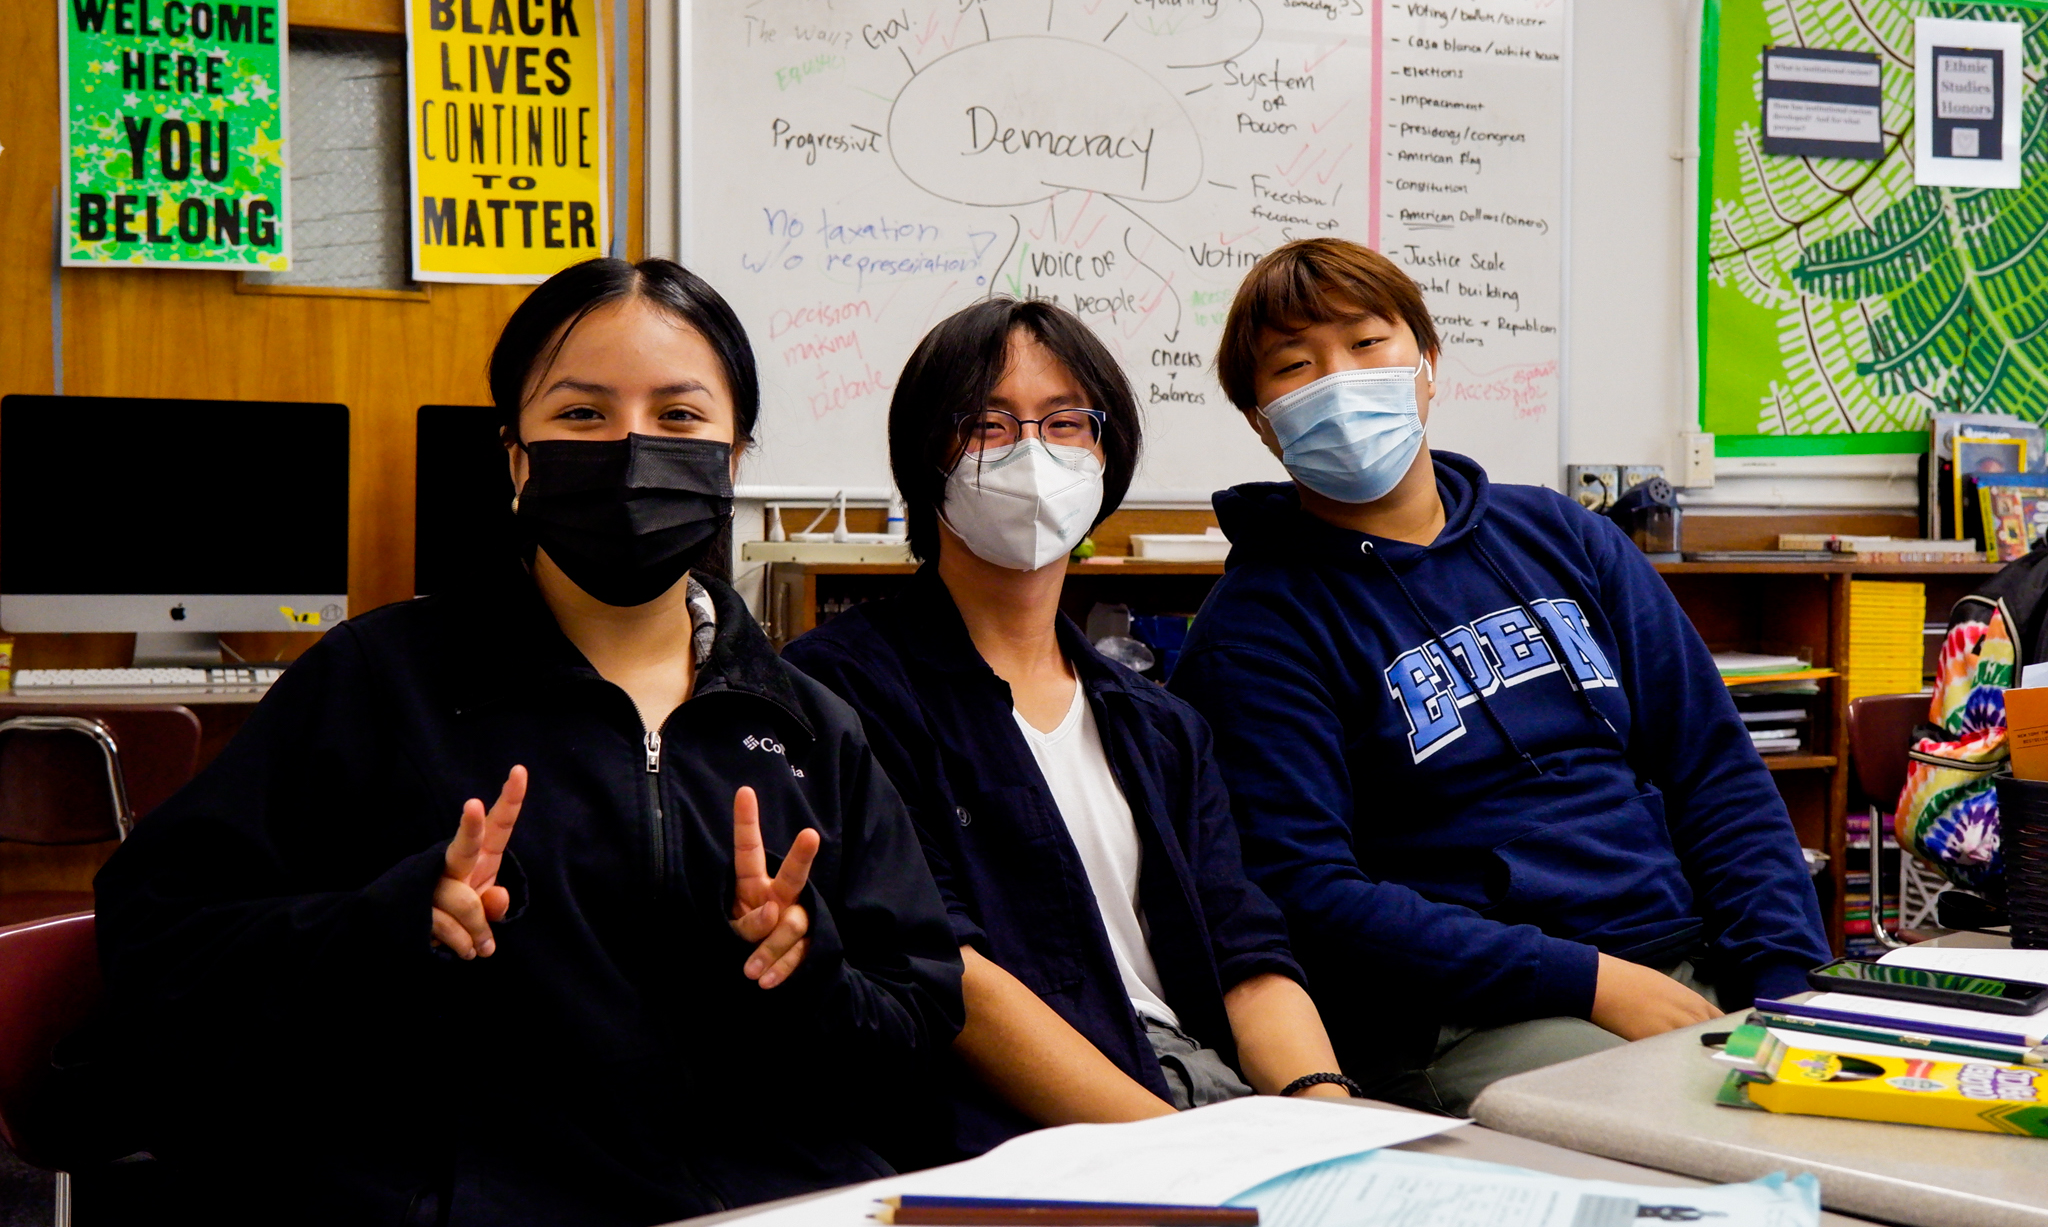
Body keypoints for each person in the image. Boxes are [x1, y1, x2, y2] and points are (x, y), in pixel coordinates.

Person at [94, 257, 965, 1226]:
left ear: (733, 459)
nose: (632, 448)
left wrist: (807, 972)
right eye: (582, 415)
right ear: (515, 458)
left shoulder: (807, 727)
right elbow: (159, 943)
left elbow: (917, 1027)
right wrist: (391, 921)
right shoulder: (376, 684)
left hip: (778, 1202)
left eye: (678, 417)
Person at [1168, 238, 1829, 1117]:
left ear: (1428, 364)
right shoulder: (1256, 628)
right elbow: (1307, 891)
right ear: (1262, 420)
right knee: (1705, 1125)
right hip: (1472, 1019)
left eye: (1367, 345)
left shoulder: (1561, 535)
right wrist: (1590, 980)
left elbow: (1713, 768)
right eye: (1295, 365)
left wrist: (1786, 986)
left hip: (1685, 962)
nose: (1338, 380)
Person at [782, 296, 1353, 1165]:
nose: (1032, 452)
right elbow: (947, 969)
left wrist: (1328, 1118)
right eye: (987, 424)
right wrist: (1190, 1153)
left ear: (1106, 450)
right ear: (923, 455)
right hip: (1030, 1133)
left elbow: (1246, 953)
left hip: (1208, 1100)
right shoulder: (843, 689)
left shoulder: (1157, 722)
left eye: (1064, 422)